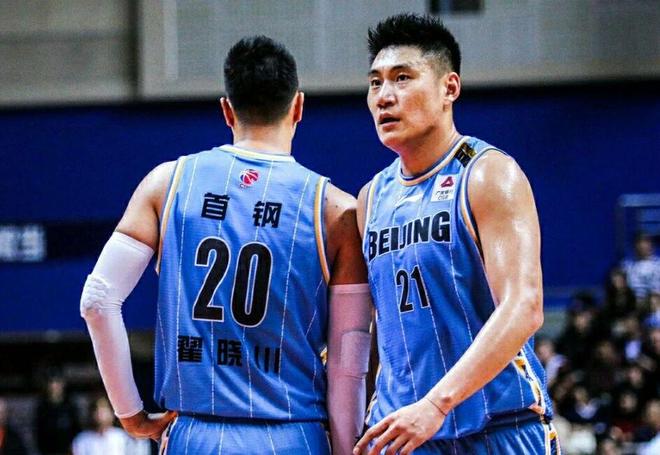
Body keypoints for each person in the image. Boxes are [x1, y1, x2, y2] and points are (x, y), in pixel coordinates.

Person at [80, 36, 372, 454]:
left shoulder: (167, 183)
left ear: (226, 109)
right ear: (298, 107)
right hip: (294, 435)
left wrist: (130, 414)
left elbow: (97, 301)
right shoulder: (336, 211)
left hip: (194, 434)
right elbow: (348, 362)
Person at [353, 13, 557, 454]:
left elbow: (524, 307)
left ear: (449, 88)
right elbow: (367, 329)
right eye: (375, 83)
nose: (384, 96)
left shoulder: (488, 174)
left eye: (402, 78)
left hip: (500, 427)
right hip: (406, 433)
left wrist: (436, 403)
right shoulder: (371, 198)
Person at [71, 396, 149, 455]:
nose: (100, 415)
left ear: (111, 414)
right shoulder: (82, 439)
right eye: (97, 411)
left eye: (104, 411)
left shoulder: (121, 436)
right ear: (91, 414)